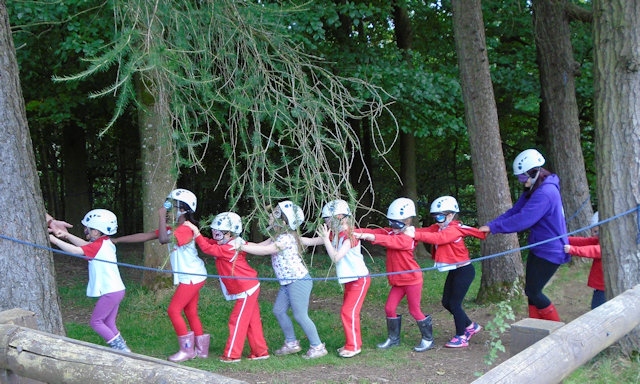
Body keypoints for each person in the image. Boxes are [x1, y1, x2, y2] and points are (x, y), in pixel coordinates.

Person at [113, 188, 209, 362]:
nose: (169, 209)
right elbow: (147, 235)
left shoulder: (186, 229)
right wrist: (118, 240)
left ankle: (187, 351)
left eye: (173, 206)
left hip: (192, 276)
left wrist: (160, 216)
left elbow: (163, 239)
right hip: (193, 275)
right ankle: (201, 350)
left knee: (173, 310)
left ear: (183, 210)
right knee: (190, 311)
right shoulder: (175, 227)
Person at [479, 149, 570, 321]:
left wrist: (494, 228)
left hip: (551, 250)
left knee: (534, 291)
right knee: (530, 290)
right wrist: (490, 226)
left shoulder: (545, 193)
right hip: (539, 247)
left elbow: (523, 220)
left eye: (522, 177)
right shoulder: (535, 189)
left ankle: (556, 329)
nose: (522, 182)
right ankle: (535, 327)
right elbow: (515, 211)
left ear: (534, 172)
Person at [234, 200, 328, 359]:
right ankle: (291, 343)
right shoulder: (277, 236)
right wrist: (242, 243)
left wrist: (241, 247)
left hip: (298, 281)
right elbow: (259, 245)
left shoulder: (285, 238)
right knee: (278, 310)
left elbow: (266, 250)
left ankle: (317, 346)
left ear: (283, 221)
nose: (270, 215)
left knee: (300, 315)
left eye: (275, 213)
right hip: (287, 282)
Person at [182, 212, 270, 363]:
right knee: (251, 321)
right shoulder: (226, 243)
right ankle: (260, 352)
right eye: (215, 232)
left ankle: (232, 354)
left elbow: (208, 249)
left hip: (246, 289)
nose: (216, 235)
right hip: (248, 287)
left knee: (237, 321)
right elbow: (209, 243)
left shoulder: (229, 248)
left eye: (220, 233)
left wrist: (196, 233)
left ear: (231, 233)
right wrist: (195, 235)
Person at [355, 197, 434, 352]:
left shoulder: (407, 239)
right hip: (398, 281)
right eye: (391, 222)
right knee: (390, 308)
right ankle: (393, 339)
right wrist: (354, 232)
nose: (393, 226)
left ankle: (428, 339)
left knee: (414, 310)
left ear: (407, 222)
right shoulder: (391, 232)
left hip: (412, 280)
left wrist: (370, 237)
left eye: (397, 223)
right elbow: (375, 232)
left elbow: (386, 241)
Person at [49, 209, 131, 352]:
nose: (85, 230)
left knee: (96, 322)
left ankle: (121, 350)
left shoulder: (99, 245)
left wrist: (54, 240)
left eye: (87, 228)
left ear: (95, 232)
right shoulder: (105, 242)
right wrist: (67, 235)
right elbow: (85, 245)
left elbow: (77, 251)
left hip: (111, 291)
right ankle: (123, 349)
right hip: (116, 290)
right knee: (109, 323)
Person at [409, 196, 486, 348]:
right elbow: (426, 231)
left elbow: (438, 238)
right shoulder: (440, 226)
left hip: (464, 270)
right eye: (435, 217)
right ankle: (471, 326)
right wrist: (407, 231)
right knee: (446, 302)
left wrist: (414, 234)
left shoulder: (453, 230)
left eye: (440, 216)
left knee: (455, 304)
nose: (437, 220)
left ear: (450, 215)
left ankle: (461, 336)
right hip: (454, 270)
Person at [302, 199, 370, 358]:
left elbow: (336, 257)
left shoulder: (350, 236)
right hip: (350, 280)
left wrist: (326, 239)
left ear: (341, 217)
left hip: (359, 280)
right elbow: (312, 241)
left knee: (348, 312)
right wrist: (294, 238)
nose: (327, 223)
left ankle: (353, 347)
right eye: (326, 220)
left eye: (329, 220)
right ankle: (352, 342)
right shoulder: (335, 234)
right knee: (350, 312)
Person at [564, 211, 605, 309]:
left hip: (604, 287)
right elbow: (584, 241)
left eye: (596, 232)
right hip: (601, 286)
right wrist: (565, 239)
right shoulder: (599, 239)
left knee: (597, 310)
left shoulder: (606, 244)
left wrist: (572, 249)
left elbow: (594, 250)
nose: (593, 234)